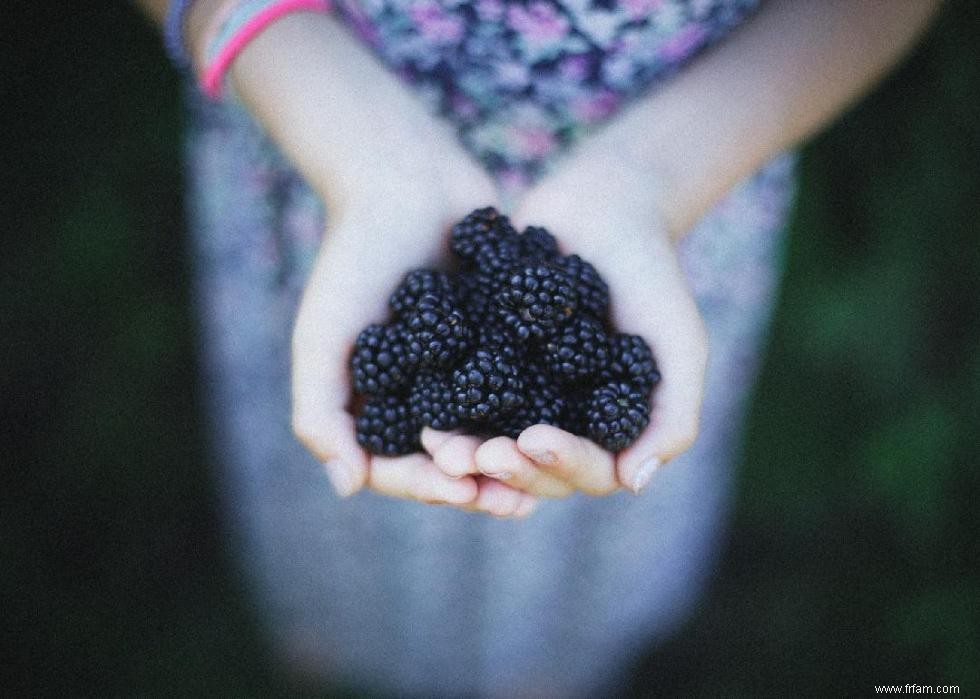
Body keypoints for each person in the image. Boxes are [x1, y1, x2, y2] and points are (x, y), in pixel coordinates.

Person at [137, 0, 940, 695]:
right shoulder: (451, 316)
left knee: (576, 524)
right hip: (321, 154)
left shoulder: (563, 323)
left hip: (680, 189)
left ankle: (551, 663)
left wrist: (654, 179)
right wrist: (346, 132)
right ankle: (330, 624)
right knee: (334, 507)